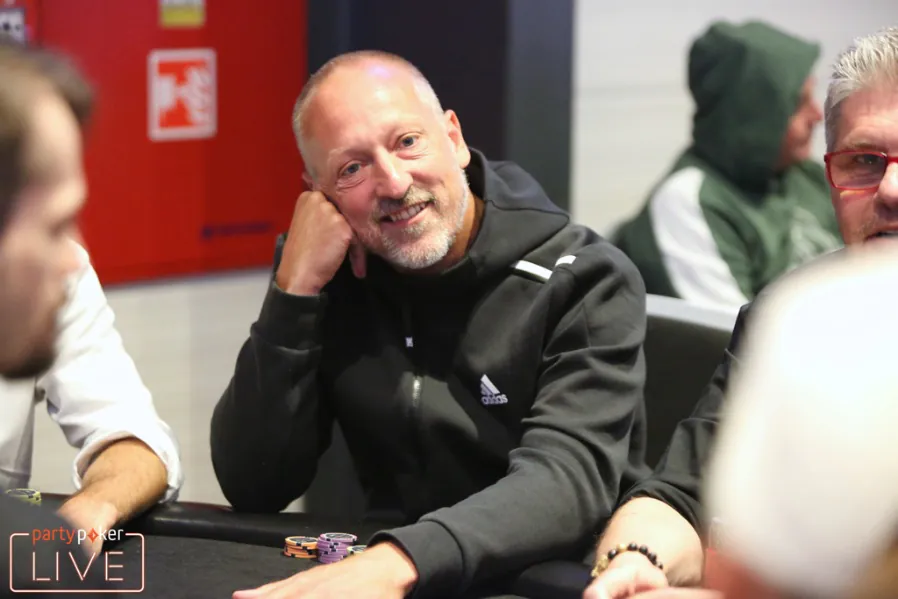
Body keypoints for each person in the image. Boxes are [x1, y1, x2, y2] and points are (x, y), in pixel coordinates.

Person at [211, 50, 651, 598]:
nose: (394, 183)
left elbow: (566, 486)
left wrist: (396, 562)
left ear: (454, 138)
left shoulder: (585, 278)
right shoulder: (329, 278)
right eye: (352, 169)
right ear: (318, 193)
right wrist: (293, 292)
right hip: (390, 570)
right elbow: (253, 484)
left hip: (551, 580)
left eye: (406, 142)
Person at [583, 25, 898, 599]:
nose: (892, 190)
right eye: (864, 161)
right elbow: (682, 493)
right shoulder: (790, 319)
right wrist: (633, 562)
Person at [0, 36, 182, 553]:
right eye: (54, 224)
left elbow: (136, 437)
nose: (73, 257)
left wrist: (92, 508)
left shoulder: (60, 275)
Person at [613, 20, 842, 312]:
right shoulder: (689, 203)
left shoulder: (804, 175)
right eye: (798, 103)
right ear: (752, 114)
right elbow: (734, 335)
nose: (817, 115)